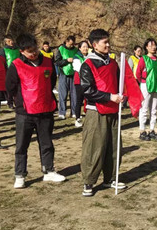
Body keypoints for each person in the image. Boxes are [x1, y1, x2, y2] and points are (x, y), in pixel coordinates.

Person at [6, 34, 65, 189]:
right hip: (25, 112)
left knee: (46, 142)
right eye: (29, 51)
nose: (33, 53)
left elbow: (52, 80)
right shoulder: (16, 65)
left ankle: (48, 170)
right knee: (21, 145)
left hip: (45, 109)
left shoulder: (47, 61)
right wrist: (18, 102)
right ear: (22, 51)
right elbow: (10, 86)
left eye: (35, 49)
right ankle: (20, 174)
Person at [79, 28, 127, 197]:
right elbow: (87, 90)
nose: (108, 45)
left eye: (108, 41)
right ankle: (89, 181)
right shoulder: (88, 65)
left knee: (113, 146)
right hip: (96, 111)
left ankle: (111, 177)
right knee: (94, 147)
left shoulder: (113, 63)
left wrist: (122, 97)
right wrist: (108, 97)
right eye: (104, 42)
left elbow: (120, 83)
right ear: (94, 45)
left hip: (114, 110)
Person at [136, 38, 157, 141]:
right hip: (146, 86)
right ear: (146, 47)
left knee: (154, 109)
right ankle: (142, 130)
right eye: (151, 45)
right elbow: (138, 73)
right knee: (144, 108)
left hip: (156, 86)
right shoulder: (143, 59)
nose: (153, 47)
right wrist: (143, 82)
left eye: (154, 45)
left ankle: (152, 129)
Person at [53, 35, 78, 120]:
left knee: (74, 94)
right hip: (63, 73)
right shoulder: (61, 49)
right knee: (63, 94)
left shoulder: (76, 50)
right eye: (70, 44)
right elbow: (57, 62)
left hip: (73, 74)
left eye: (73, 44)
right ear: (66, 42)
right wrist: (66, 61)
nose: (71, 46)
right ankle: (62, 112)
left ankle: (74, 112)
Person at [71, 40, 88, 127]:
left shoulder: (89, 57)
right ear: (80, 48)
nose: (85, 48)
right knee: (79, 99)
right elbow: (79, 68)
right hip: (80, 82)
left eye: (86, 46)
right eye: (83, 47)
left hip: (88, 82)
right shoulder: (77, 57)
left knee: (89, 99)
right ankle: (77, 118)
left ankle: (89, 117)